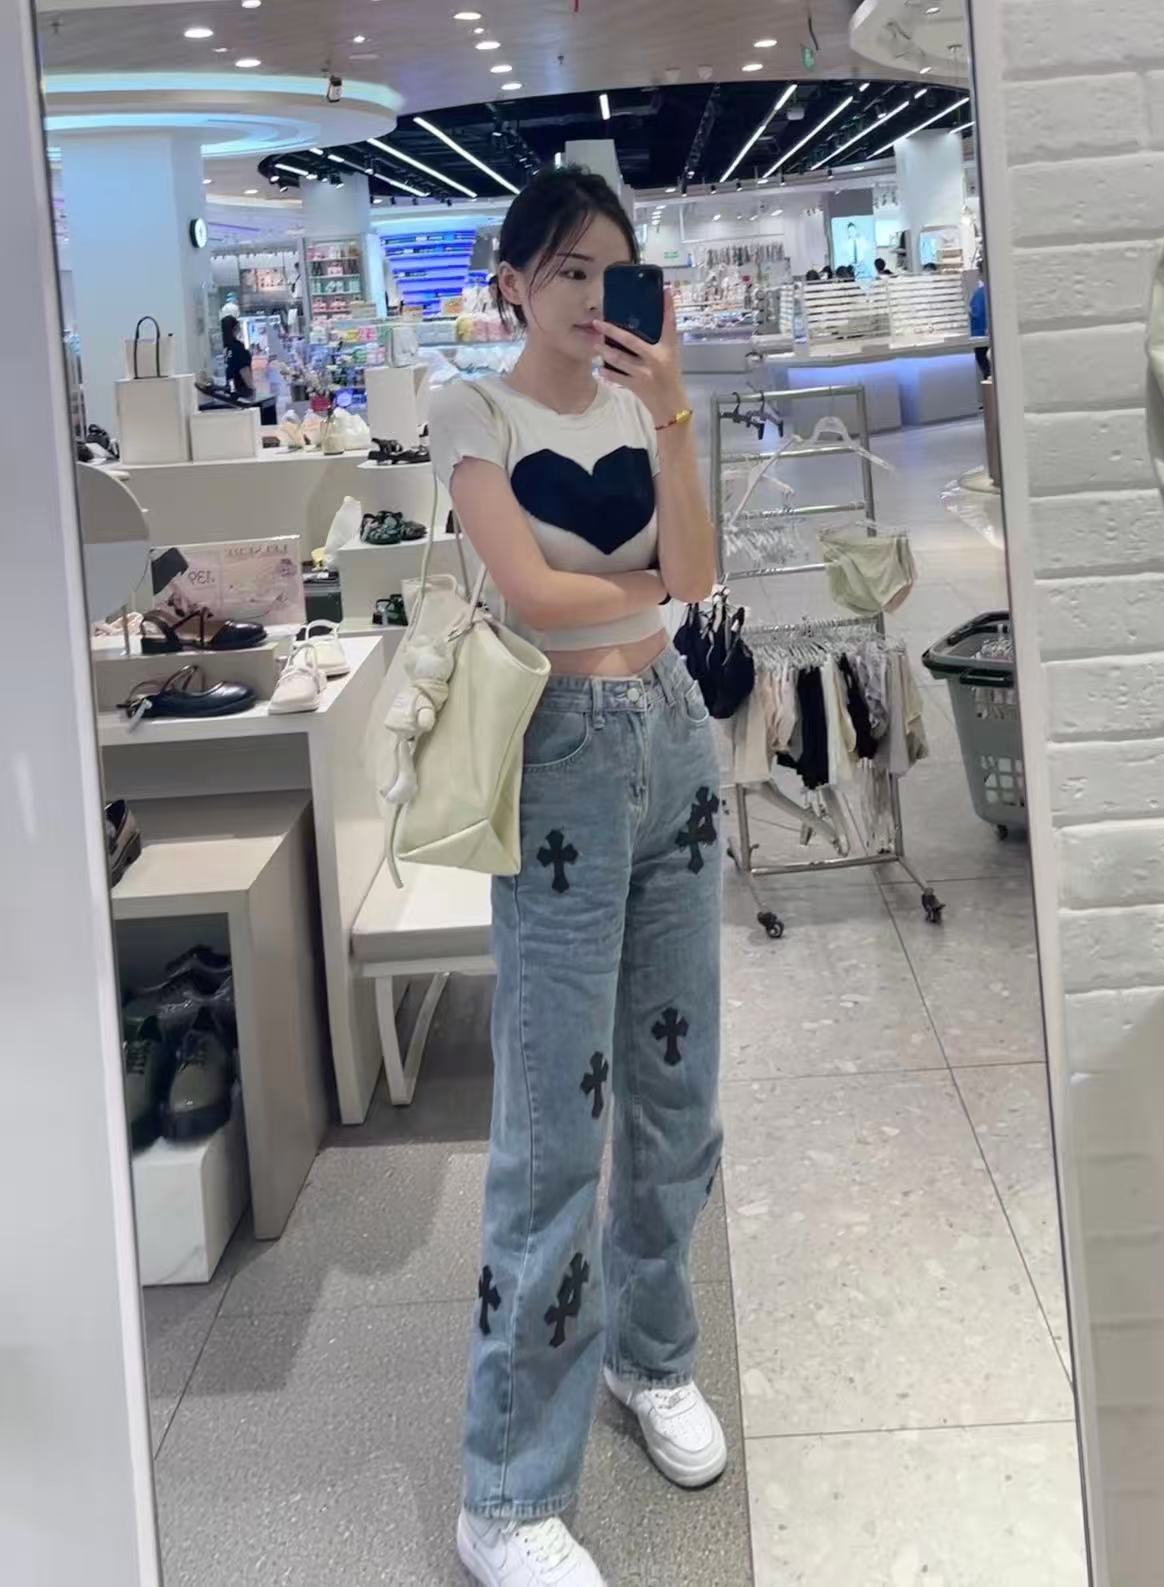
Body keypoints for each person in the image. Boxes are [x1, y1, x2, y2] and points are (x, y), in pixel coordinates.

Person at [430, 165, 724, 1587]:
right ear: (510, 282)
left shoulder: (639, 405)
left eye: (610, 269)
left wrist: (671, 411)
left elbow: (703, 567)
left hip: (672, 736)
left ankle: (650, 1355)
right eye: (561, 270)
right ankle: (504, 1489)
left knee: (677, 1091)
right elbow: (532, 595)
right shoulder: (471, 412)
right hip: (556, 756)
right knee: (553, 1127)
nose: (589, 296)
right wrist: (654, 584)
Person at [221, 312, 254, 399]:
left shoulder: (221, 348)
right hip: (241, 392)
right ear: (235, 329)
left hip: (226, 392)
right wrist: (252, 388)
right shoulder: (238, 348)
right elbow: (244, 370)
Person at [969, 274, 991, 379]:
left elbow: (975, 313)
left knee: (988, 373)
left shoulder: (978, 294)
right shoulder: (995, 292)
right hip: (986, 336)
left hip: (980, 337)